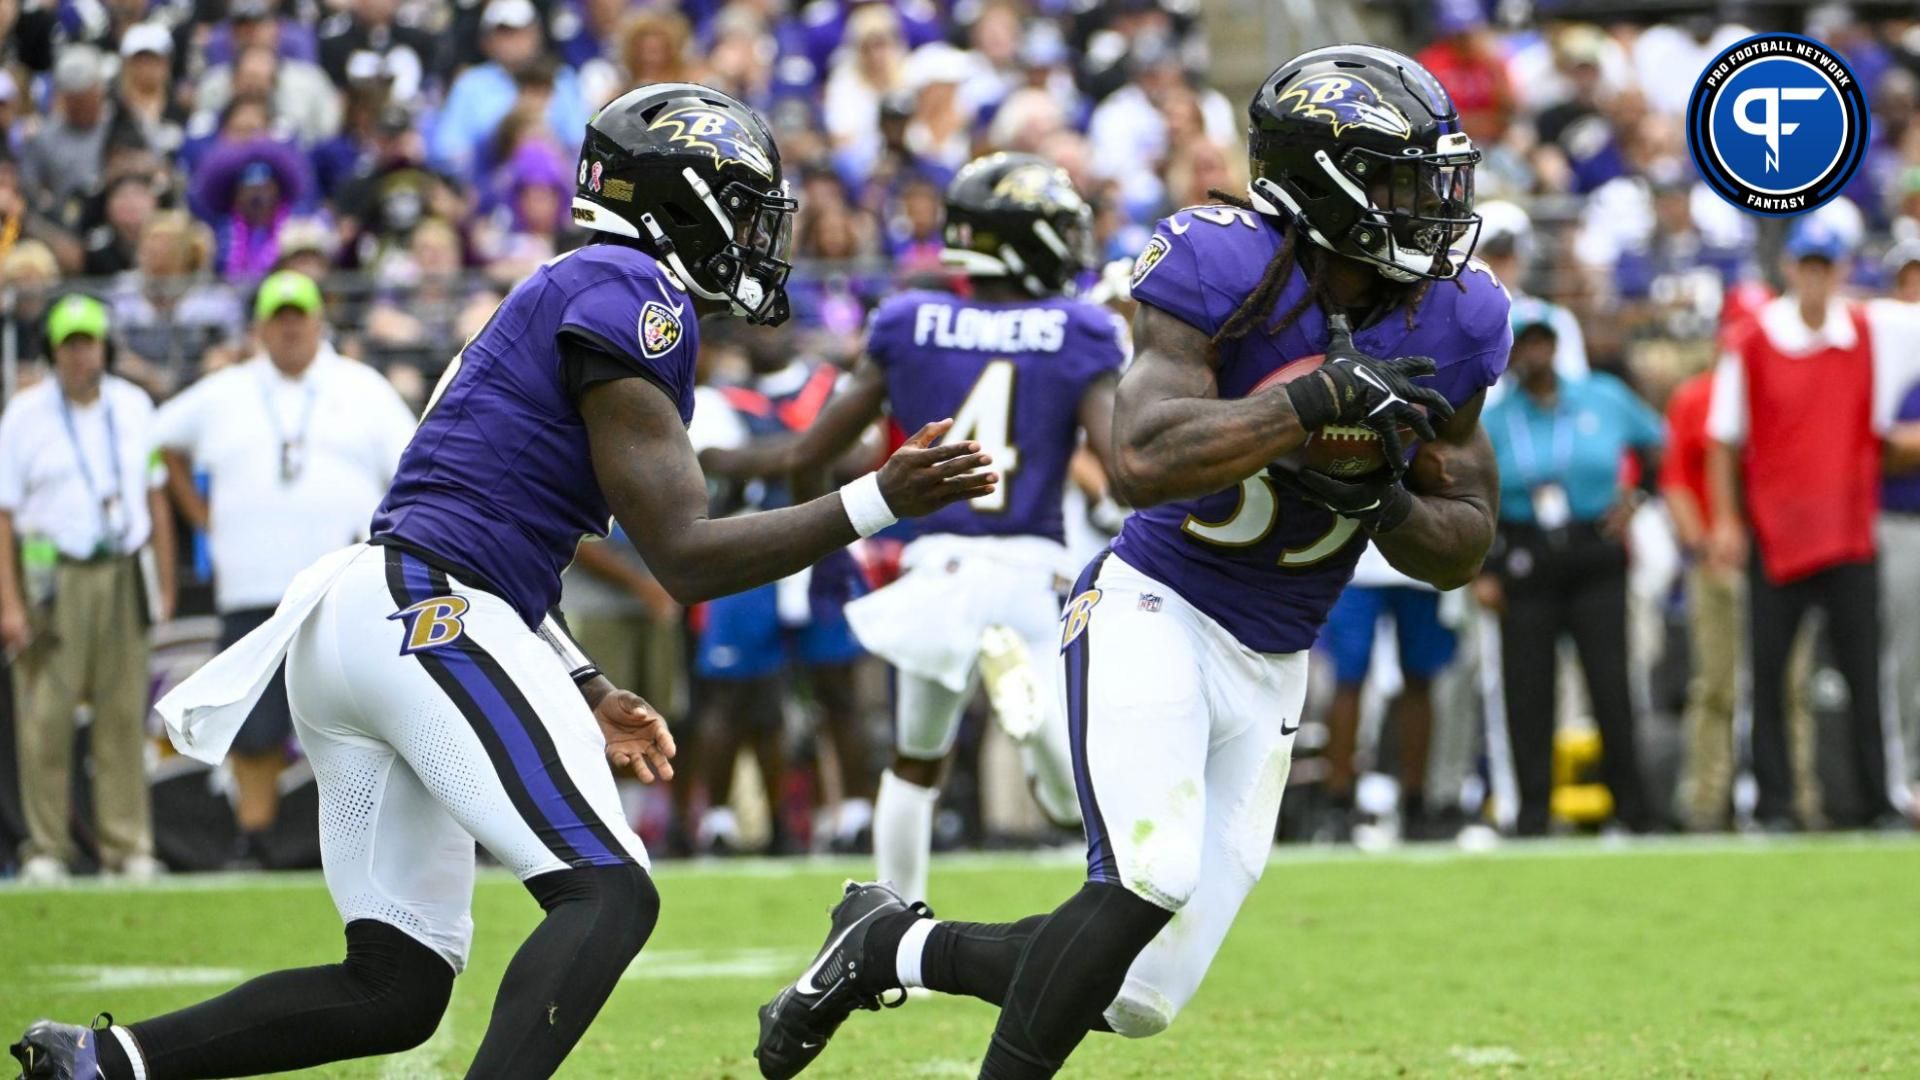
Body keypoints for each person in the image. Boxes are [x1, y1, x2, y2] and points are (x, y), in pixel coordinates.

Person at [11, 83, 993, 1080]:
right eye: (739, 208)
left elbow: (496, 523)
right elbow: (687, 556)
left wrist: (585, 683)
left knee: (395, 986)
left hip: (379, 612)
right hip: (426, 612)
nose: (751, 236)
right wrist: (875, 500)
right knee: (610, 890)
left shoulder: (567, 288)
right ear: (678, 202)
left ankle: (105, 1062)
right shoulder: (631, 293)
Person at [755, 46, 1506, 1079]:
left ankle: (886, 944)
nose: (1430, 205)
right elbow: (1142, 459)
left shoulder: (1462, 313)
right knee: (1142, 877)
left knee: (1143, 997)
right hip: (1158, 606)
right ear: (1324, 177)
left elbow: (1463, 541)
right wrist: (1309, 407)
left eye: (1438, 178)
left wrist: (1374, 494)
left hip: (1275, 656)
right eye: (1401, 179)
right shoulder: (1224, 262)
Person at [784, 151, 1123, 901]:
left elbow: (816, 450)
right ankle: (1032, 724)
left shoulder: (910, 318)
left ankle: (894, 913)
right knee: (1071, 796)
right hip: (1032, 565)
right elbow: (1122, 465)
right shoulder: (1077, 328)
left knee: (915, 761)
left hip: (938, 566)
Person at [151, 270, 418, 867]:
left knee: (363, 718)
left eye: (300, 315)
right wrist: (198, 515)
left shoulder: (361, 386)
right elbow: (157, 438)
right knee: (252, 725)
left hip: (341, 588)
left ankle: (368, 842)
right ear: (260, 328)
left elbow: (411, 464)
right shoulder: (227, 389)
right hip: (251, 582)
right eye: (280, 317)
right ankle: (255, 836)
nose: (291, 326)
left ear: (320, 321)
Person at [1705, 218, 1918, 831]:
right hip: (1778, 534)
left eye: (1829, 267)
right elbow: (1723, 440)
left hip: (1850, 531)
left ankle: (1878, 798)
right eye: (1809, 266)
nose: (1819, 278)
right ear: (1791, 270)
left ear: (1843, 272)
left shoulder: (1872, 329)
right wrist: (1728, 521)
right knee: (1768, 675)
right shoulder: (1754, 341)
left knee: (1865, 674)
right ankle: (1773, 804)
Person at [0, 295, 173, 883]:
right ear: (52, 351)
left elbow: (154, 493)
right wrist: (10, 602)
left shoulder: (133, 405)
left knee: (123, 714)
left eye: (89, 342)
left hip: (125, 566)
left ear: (105, 347)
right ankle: (47, 847)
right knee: (45, 716)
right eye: (69, 344)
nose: (81, 355)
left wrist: (166, 583)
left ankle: (127, 846)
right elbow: (4, 513)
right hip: (53, 574)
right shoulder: (24, 414)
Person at [1477, 298, 1663, 836]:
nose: (1536, 353)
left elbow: (1658, 445)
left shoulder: (1601, 397)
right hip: (1525, 552)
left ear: (1556, 347)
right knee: (1528, 689)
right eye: (1525, 344)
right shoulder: (1496, 417)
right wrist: (1486, 567)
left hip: (1593, 548)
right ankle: (1534, 812)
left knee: (1611, 683)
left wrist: (1637, 498)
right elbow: (1475, 491)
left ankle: (1632, 808)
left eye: (1543, 342)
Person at [1314, 542, 1455, 842]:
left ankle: (1415, 803)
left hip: (1420, 556)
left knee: (1420, 680)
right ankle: (1337, 803)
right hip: (1356, 560)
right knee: (1347, 680)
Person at [1878, 239, 1920, 815]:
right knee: (1906, 658)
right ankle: (1906, 782)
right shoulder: (1890, 360)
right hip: (1902, 523)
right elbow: (1883, 448)